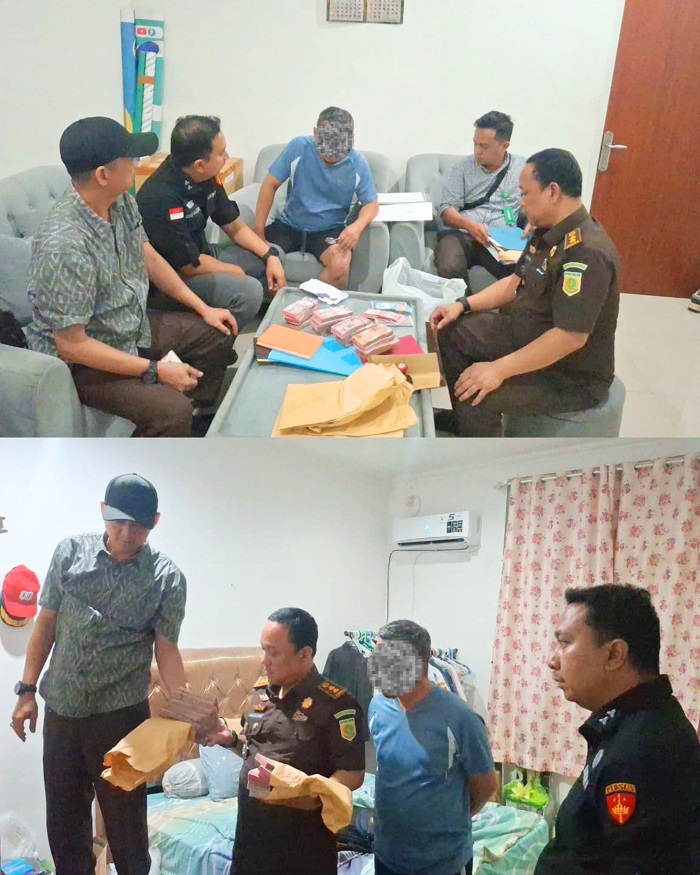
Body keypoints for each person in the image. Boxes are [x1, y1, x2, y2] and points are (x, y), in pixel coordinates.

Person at [10, 474, 188, 875]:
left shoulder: (166, 578)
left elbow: (167, 648)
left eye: (138, 526)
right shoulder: (70, 553)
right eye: (117, 522)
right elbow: (45, 625)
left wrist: (187, 709)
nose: (126, 534)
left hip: (121, 721)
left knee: (127, 833)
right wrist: (27, 692)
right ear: (103, 512)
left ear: (155, 522)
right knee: (65, 828)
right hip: (63, 714)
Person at [26, 116, 237, 438]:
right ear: (103, 174)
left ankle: (200, 419)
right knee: (171, 411)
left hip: (129, 323)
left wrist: (203, 307)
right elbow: (72, 346)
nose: (137, 164)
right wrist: (155, 370)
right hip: (87, 360)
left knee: (217, 332)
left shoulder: (120, 200)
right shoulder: (64, 246)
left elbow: (147, 254)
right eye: (130, 158)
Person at [430, 148, 620, 437]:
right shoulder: (548, 230)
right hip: (525, 333)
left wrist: (498, 369)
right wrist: (463, 304)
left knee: (475, 390)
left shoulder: (586, 253)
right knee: (449, 329)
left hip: (567, 373)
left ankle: (482, 451)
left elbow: (570, 337)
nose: (521, 203)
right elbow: (514, 282)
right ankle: (465, 420)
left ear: (552, 192)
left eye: (525, 194)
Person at [536, 585, 700, 874]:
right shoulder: (632, 722)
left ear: (614, 655)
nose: (552, 660)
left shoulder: (642, 747)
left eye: (565, 643)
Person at [225, 607, 365, 875]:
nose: (264, 660)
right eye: (263, 650)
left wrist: (315, 795)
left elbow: (353, 772)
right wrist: (228, 738)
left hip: (303, 844)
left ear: (305, 654)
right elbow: (252, 747)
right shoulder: (261, 693)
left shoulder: (337, 705)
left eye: (273, 652)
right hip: (251, 840)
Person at [368, 620, 497, 875]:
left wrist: (443, 825)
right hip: (387, 855)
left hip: (441, 863)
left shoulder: (460, 718)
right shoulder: (378, 708)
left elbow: (485, 786)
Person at [137, 115, 286, 326]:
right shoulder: (161, 197)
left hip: (203, 254)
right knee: (249, 290)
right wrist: (235, 272)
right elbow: (188, 267)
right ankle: (212, 333)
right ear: (199, 165)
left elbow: (235, 227)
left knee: (274, 254)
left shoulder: (205, 178)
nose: (227, 156)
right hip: (176, 277)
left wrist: (269, 256)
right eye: (221, 152)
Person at [253, 106, 379, 290]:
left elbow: (372, 203)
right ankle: (283, 301)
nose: (331, 156)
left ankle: (306, 303)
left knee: (341, 261)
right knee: (253, 253)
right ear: (315, 133)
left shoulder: (357, 163)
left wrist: (356, 227)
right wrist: (258, 230)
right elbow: (269, 184)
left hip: (329, 230)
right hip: (289, 225)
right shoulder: (299, 147)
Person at [435, 111, 526, 284]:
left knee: (521, 271)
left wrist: (532, 224)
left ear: (504, 145)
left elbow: (534, 203)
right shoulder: (463, 167)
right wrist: (469, 225)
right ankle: (461, 301)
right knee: (449, 264)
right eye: (475, 144)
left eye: (484, 146)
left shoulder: (523, 169)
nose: (477, 151)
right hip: (464, 234)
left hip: (503, 240)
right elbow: (447, 210)